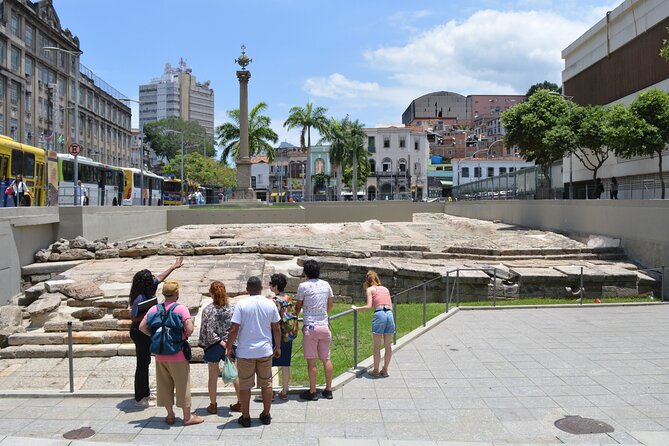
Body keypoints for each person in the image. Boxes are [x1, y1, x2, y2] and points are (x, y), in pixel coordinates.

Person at [139, 280, 204, 426]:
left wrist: (154, 336)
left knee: (164, 385)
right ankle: (187, 417)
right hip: (178, 354)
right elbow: (189, 329)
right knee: (182, 385)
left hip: (160, 355)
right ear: (176, 294)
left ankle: (170, 416)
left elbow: (142, 327)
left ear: (163, 294)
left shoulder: (154, 309)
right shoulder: (181, 309)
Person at [225, 276, 281, 428]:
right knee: (266, 383)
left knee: (245, 385)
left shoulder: (241, 304)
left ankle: (246, 416)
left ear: (247, 289)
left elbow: (234, 329)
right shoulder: (270, 304)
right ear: (261, 288)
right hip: (264, 350)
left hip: (246, 352)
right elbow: (276, 327)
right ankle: (266, 414)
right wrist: (278, 347)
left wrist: (229, 347)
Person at [128, 257, 184, 408]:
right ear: (146, 283)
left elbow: (160, 278)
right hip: (139, 331)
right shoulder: (139, 297)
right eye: (151, 277)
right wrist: (150, 314)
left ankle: (145, 392)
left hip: (145, 330)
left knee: (146, 361)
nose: (154, 279)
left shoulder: (148, 287)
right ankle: (139, 397)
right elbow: (133, 317)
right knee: (142, 363)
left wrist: (174, 266)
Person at [197, 280, 241, 414]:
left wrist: (219, 342)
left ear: (211, 293)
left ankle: (213, 404)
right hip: (231, 344)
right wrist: (228, 343)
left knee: (212, 376)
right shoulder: (232, 308)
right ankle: (241, 403)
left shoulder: (208, 310)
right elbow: (235, 327)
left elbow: (208, 331)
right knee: (235, 375)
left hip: (214, 345)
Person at [295, 259, 334, 401]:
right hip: (324, 325)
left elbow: (298, 306)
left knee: (312, 361)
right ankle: (328, 389)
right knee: (326, 358)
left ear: (306, 272)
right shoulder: (326, 284)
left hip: (310, 326)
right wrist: (324, 313)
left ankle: (312, 391)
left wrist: (296, 315)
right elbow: (330, 304)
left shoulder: (303, 286)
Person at [352, 271, 395, 378]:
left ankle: (376, 370)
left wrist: (356, 308)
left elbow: (368, 306)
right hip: (389, 313)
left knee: (377, 346)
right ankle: (385, 370)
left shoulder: (370, 289)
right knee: (388, 345)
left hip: (380, 313)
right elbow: (391, 305)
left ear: (367, 281)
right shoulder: (385, 289)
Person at [269, 273, 296, 400]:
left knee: (269, 363)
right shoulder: (289, 298)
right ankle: (284, 391)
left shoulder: (274, 301)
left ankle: (269, 391)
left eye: (271, 283)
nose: (269, 285)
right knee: (286, 364)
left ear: (275, 286)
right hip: (288, 334)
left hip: (276, 335)